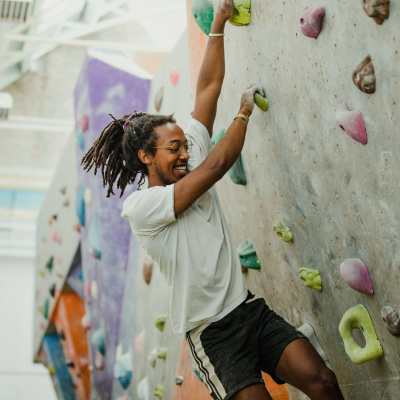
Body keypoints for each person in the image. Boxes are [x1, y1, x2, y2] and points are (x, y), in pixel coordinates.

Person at [82, 1, 345, 399]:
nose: (185, 153)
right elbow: (217, 167)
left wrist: (218, 24)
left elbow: (206, 88)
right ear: (146, 156)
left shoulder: (190, 157)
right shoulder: (143, 207)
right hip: (213, 335)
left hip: (248, 310)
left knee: (322, 381)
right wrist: (241, 116)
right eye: (174, 149)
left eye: (185, 146)